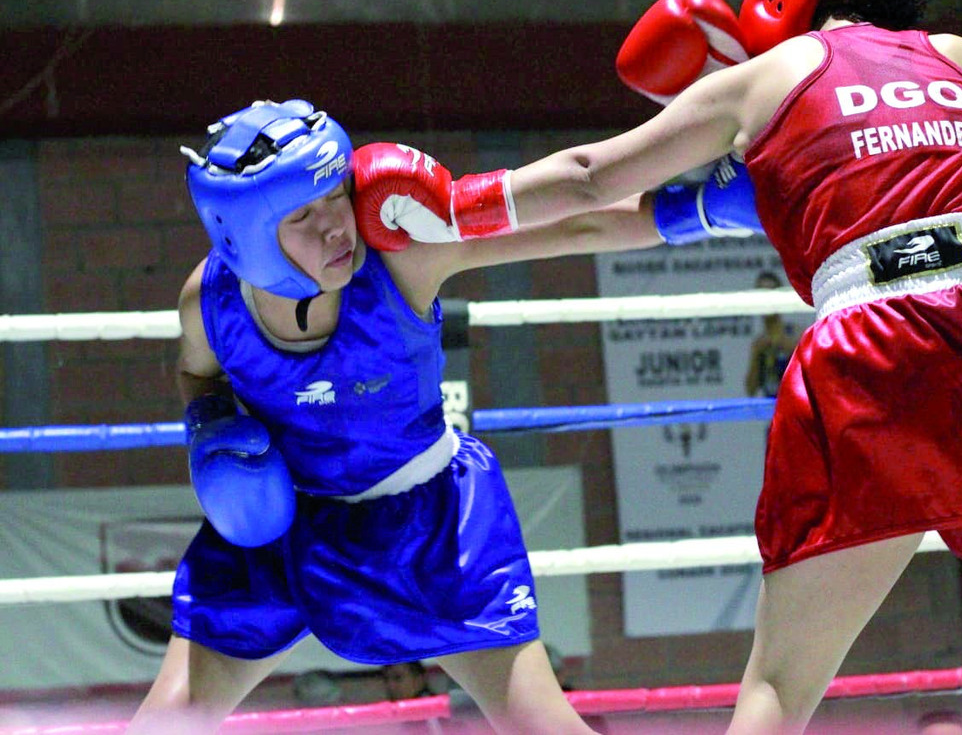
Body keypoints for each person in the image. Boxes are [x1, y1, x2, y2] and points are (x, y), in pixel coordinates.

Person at [355, 0, 962, 735]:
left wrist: (454, 206)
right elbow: (899, 162)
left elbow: (589, 178)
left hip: (873, 344)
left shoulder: (764, 80)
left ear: (781, 1)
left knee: (781, 684)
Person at [125, 98, 760, 735]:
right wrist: (210, 425)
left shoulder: (400, 261)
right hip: (287, 524)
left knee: (542, 728)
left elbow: (574, 227)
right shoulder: (209, 303)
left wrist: (699, 209)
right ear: (244, 236)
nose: (336, 227)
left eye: (336, 195)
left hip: (428, 527)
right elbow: (197, 373)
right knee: (164, 724)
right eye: (302, 216)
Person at [743, 270, 797, 398]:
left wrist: (793, 350)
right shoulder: (759, 344)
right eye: (761, 295)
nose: (766, 301)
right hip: (771, 409)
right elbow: (750, 390)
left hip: (795, 408)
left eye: (770, 294)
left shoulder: (795, 336)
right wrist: (756, 355)